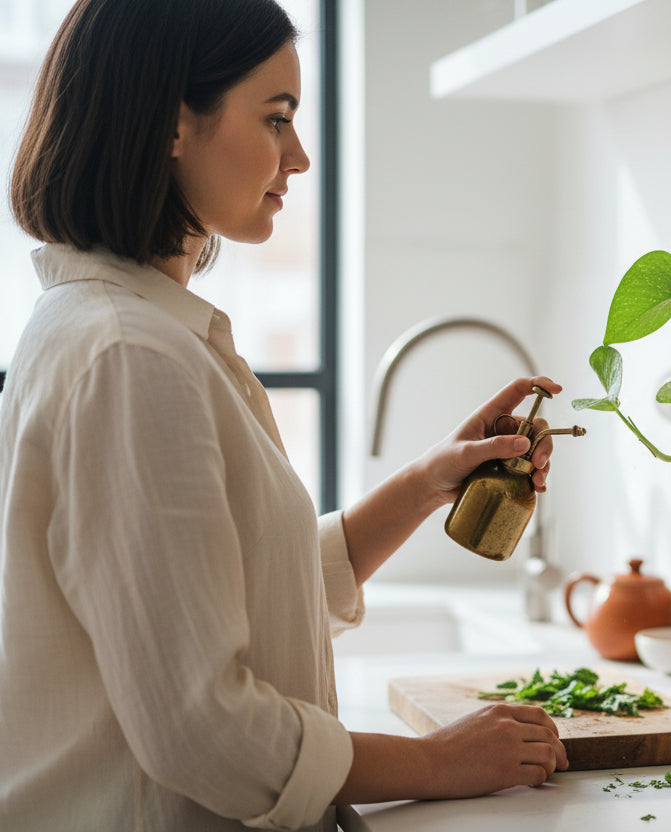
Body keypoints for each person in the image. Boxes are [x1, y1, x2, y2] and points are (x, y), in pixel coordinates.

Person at [0, 1, 567, 830]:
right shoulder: (131, 356)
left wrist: (422, 483)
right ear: (171, 124)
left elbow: (246, 585)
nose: (298, 157)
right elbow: (204, 731)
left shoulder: (125, 331)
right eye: (276, 119)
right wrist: (440, 762)